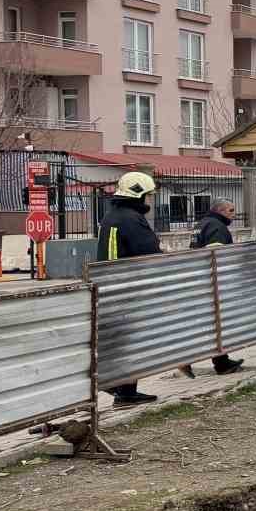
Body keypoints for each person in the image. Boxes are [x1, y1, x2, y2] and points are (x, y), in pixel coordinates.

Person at [95, 171, 164, 405]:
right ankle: (123, 390)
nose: (148, 201)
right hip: (128, 288)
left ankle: (124, 389)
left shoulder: (113, 216)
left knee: (121, 340)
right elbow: (149, 253)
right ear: (138, 195)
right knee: (129, 340)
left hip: (112, 286)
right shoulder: (131, 219)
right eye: (147, 195)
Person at [187, 199, 244, 375]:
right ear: (220, 210)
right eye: (231, 210)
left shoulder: (202, 224)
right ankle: (216, 362)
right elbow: (217, 255)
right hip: (213, 281)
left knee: (211, 323)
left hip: (199, 278)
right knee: (216, 322)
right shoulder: (217, 227)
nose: (234, 214)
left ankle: (222, 360)